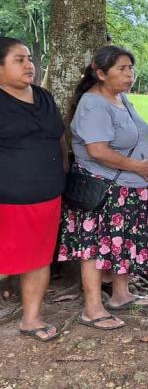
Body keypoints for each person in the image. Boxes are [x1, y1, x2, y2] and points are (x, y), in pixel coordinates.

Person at [58, 46, 148, 330]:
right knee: (94, 246)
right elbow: (98, 151)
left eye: (131, 68)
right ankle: (92, 309)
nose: (130, 74)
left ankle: (121, 295)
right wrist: (138, 166)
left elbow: (136, 134)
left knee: (122, 240)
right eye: (122, 69)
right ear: (101, 73)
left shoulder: (121, 98)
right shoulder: (93, 104)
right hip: (103, 189)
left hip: (129, 187)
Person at [0, 37, 67, 341]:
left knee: (39, 259)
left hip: (46, 196)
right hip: (6, 200)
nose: (29, 65)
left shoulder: (43, 96)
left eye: (29, 59)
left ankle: (31, 318)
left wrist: (62, 169)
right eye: (19, 60)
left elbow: (59, 137)